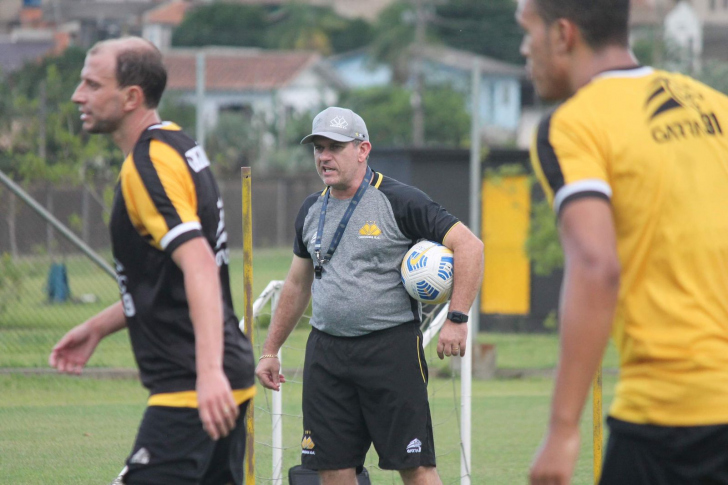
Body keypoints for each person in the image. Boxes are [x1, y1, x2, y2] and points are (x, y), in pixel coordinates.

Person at [517, 0, 728, 483]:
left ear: (563, 35)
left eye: (527, 31)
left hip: (670, 420)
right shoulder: (717, 107)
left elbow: (596, 265)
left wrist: (562, 428)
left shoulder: (571, 125)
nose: (524, 48)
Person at [49, 37, 256, 485]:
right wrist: (98, 327)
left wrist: (206, 374)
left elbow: (200, 263)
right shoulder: (177, 146)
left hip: (192, 386)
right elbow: (169, 279)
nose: (77, 95)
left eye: (91, 84)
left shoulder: (147, 167)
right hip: (224, 375)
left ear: (131, 97)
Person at [255, 106, 484, 484]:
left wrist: (457, 319)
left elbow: (470, 247)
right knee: (332, 468)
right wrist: (270, 350)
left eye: (335, 147)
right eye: (318, 148)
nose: (324, 157)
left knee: (416, 468)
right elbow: (297, 284)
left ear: (363, 150)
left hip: (390, 350)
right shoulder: (311, 209)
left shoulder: (401, 200)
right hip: (326, 355)